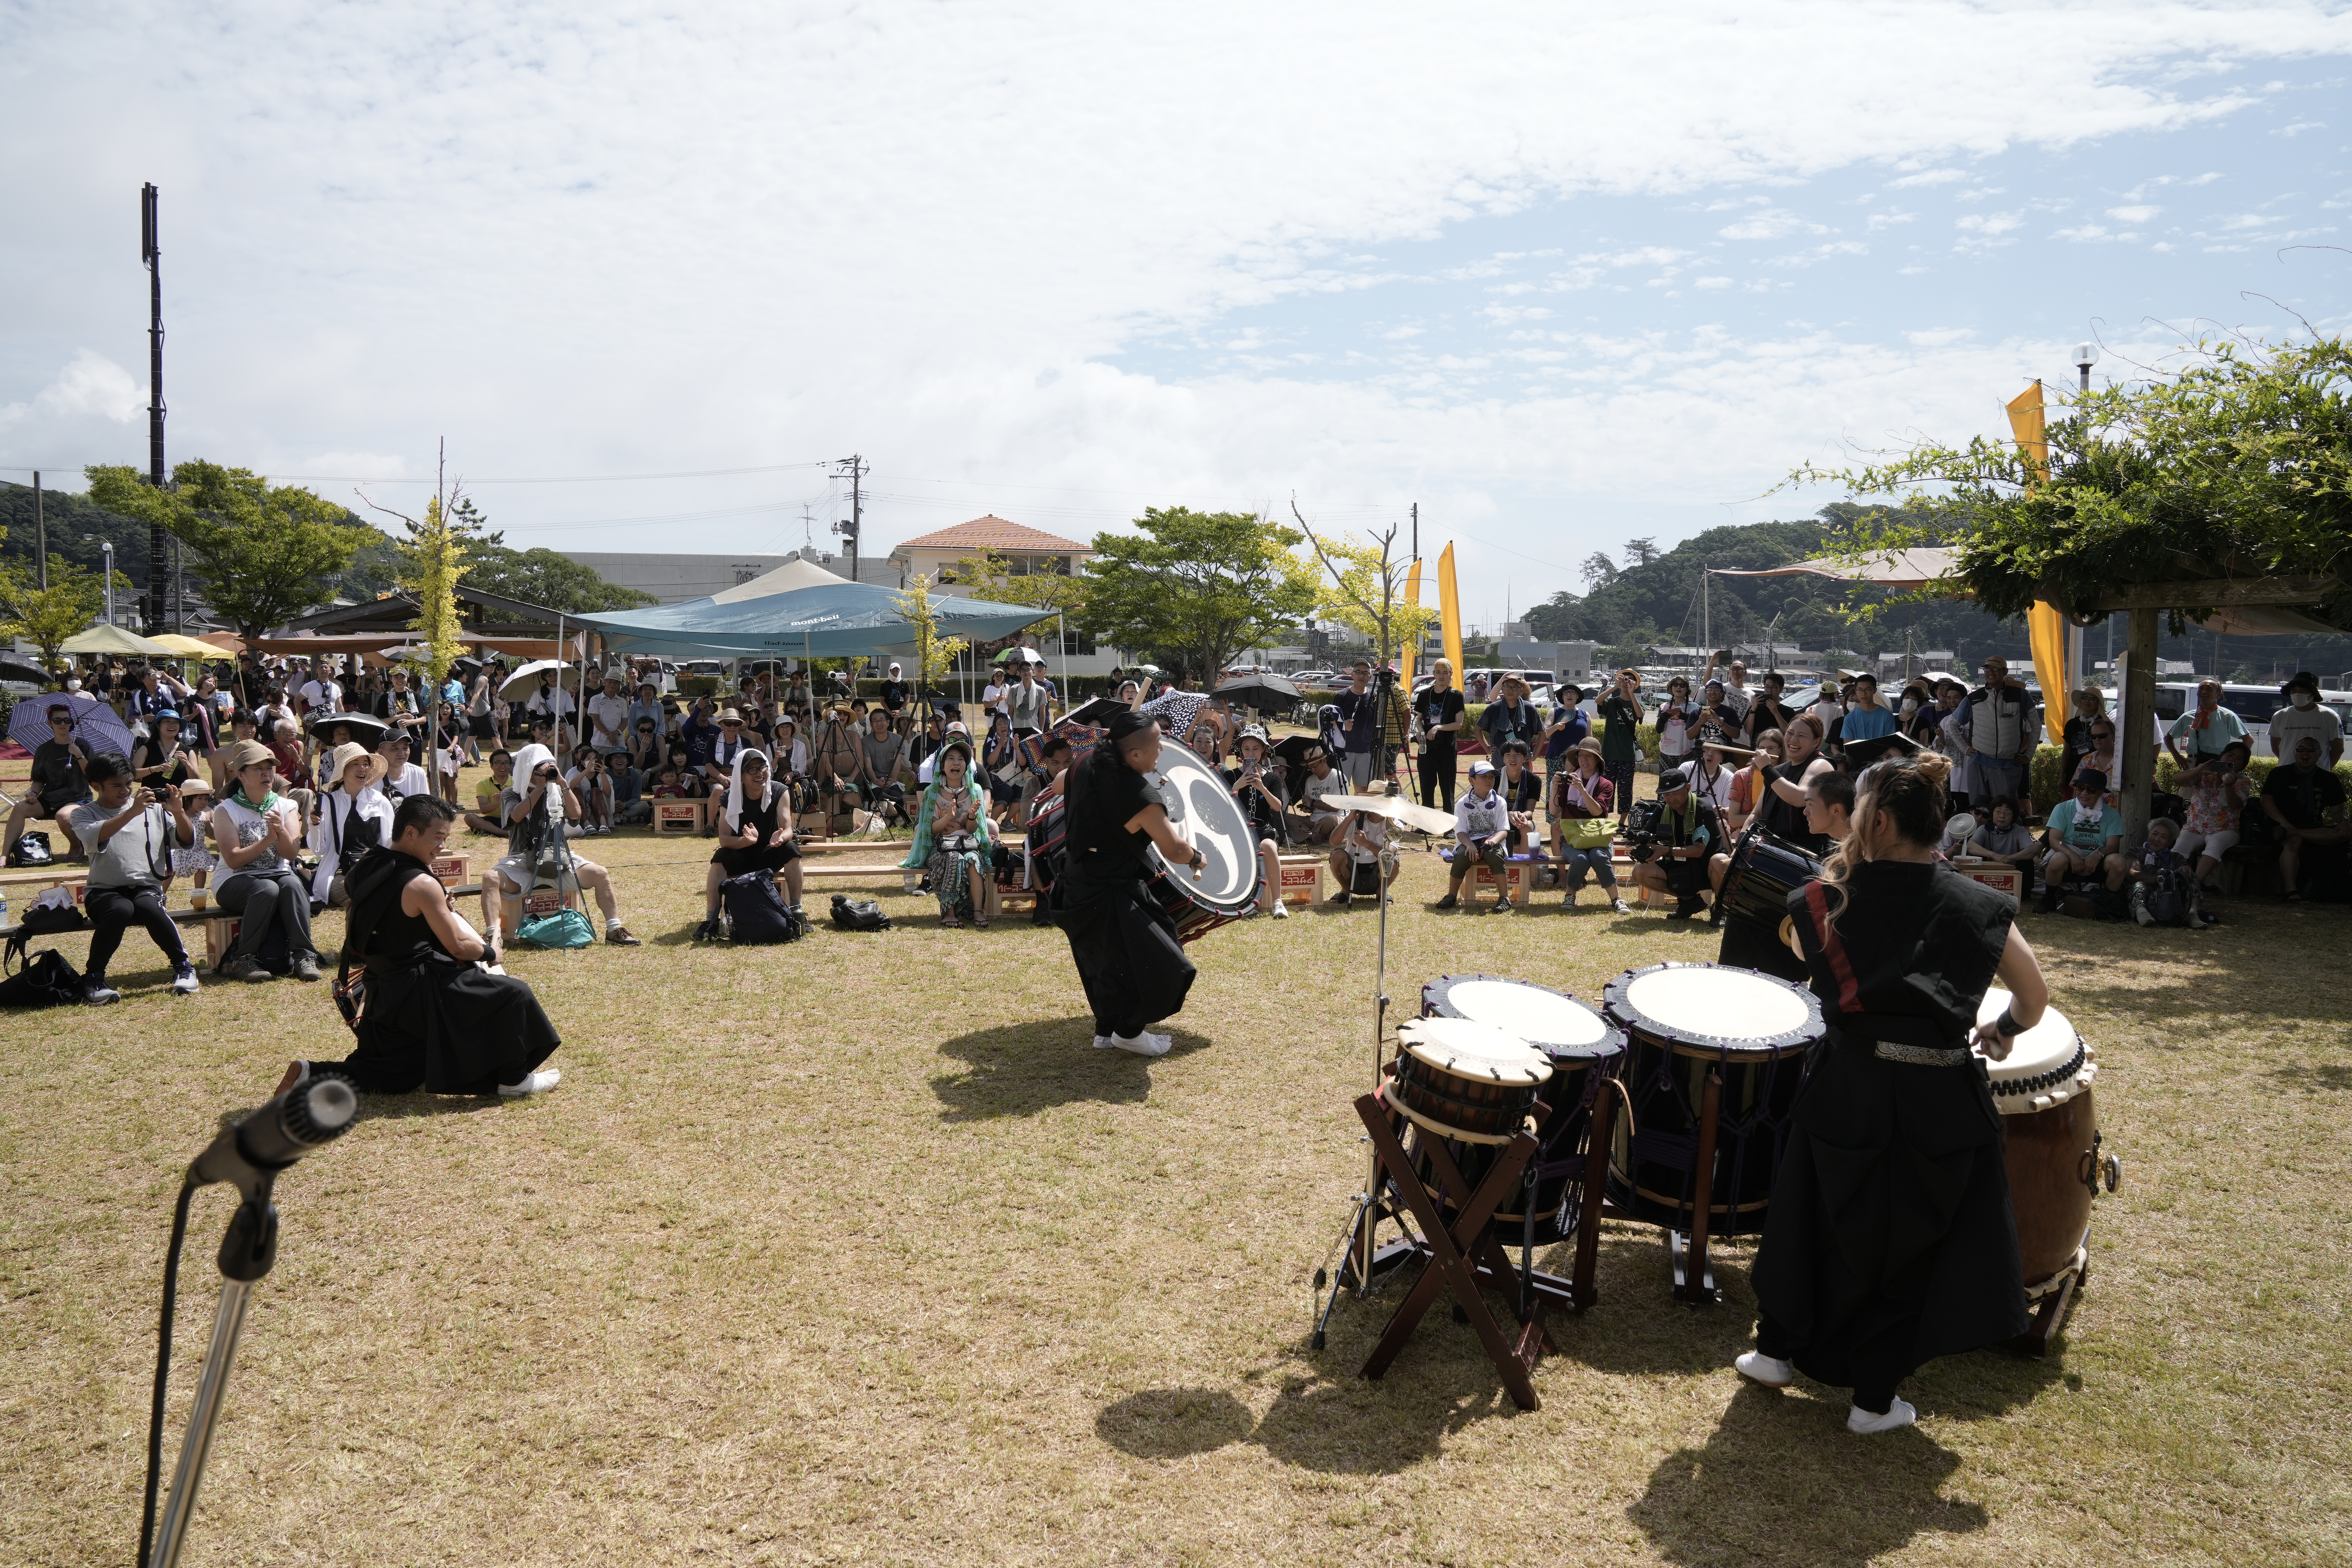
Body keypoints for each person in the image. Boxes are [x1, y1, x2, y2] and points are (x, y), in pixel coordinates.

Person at [1737, 751, 2044, 1433]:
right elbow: (2034, 998)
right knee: (1911, 1242)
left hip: (1849, 1084)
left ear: (1872, 821)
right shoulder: (1983, 904)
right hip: (1939, 1098)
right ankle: (1873, 1401)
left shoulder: (1823, 897)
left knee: (1812, 1213)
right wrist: (2001, 1030)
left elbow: (1817, 962)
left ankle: (1774, 1353)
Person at [278, 795, 560, 1098]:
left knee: (396, 1074)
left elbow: (389, 916)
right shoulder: (422, 883)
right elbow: (460, 947)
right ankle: (513, 1080)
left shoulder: (366, 865)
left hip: (381, 991)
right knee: (513, 994)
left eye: (446, 838)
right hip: (420, 988)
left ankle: (310, 1072)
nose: (442, 846)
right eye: (437, 838)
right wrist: (492, 952)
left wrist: (435, 905)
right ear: (410, 832)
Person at [1051, 712, 1204, 1055]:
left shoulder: (1086, 761)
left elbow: (1058, 783)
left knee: (1104, 964)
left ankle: (1107, 1032)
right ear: (1134, 754)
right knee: (1164, 965)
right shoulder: (1139, 795)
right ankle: (1129, 1032)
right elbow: (1175, 850)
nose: (1163, 748)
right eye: (1158, 743)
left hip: (1075, 882)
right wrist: (1196, 857)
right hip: (1112, 890)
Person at [65, 753, 201, 1002]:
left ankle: (184, 968)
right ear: (96, 786)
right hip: (102, 891)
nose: (125, 790)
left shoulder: (154, 810)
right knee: (120, 909)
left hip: (146, 888)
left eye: (129, 783)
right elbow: (97, 836)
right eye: (116, 785)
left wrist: (180, 813)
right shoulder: (83, 814)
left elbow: (187, 841)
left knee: (147, 904)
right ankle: (94, 978)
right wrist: (132, 812)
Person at [484, 743, 643, 946]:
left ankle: (614, 929)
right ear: (527, 770)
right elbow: (516, 816)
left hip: (558, 857)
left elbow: (576, 816)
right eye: (539, 769)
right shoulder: (512, 794)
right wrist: (540, 788)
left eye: (550, 766)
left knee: (600, 873)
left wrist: (562, 783)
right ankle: (493, 935)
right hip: (523, 859)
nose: (546, 772)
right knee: (491, 878)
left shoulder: (557, 791)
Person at [211, 739, 324, 984]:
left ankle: (304, 957)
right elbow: (232, 860)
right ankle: (243, 960)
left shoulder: (286, 806)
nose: (267, 774)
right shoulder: (226, 810)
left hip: (277, 875)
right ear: (240, 775)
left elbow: (292, 854)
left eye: (269, 768)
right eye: (258, 768)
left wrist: (281, 832)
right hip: (234, 880)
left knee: (293, 885)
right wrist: (267, 839)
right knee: (267, 889)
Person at [697, 749, 806, 938]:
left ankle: (797, 912)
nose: (759, 774)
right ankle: (711, 920)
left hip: (769, 851)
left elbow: (788, 829)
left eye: (762, 767)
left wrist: (781, 838)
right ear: (741, 775)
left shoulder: (780, 791)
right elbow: (724, 839)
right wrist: (745, 841)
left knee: (791, 849)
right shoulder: (729, 796)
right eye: (752, 770)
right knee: (720, 858)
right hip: (741, 853)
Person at [901, 735, 995, 927]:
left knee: (973, 860)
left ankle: (978, 911)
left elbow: (972, 829)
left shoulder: (974, 790)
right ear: (942, 766)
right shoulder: (932, 792)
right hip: (941, 847)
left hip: (967, 843)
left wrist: (970, 816)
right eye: (951, 759)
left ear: (966, 765)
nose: (956, 763)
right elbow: (932, 831)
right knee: (954, 858)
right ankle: (949, 913)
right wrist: (947, 819)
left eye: (961, 759)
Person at [1625, 766, 1721, 919]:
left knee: (1720, 861)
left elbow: (1698, 850)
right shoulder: (1663, 808)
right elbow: (1647, 833)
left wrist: (1666, 851)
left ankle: (1720, 910)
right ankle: (1689, 901)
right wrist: (1642, 842)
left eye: (1676, 793)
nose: (1671, 799)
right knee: (1640, 871)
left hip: (1706, 867)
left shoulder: (1703, 808)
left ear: (1688, 788)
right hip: (1678, 865)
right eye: (1666, 795)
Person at [2260, 735, 2349, 901]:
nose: (2305, 753)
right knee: (2294, 842)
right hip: (2281, 825)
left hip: (2312, 827)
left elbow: (2338, 810)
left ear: (2320, 754)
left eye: (2311, 750)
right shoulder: (2279, 774)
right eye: (2300, 750)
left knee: (2342, 833)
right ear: (2294, 753)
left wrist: (2344, 821)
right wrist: (2284, 823)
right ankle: (2292, 891)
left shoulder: (2328, 779)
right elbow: (2266, 801)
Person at [308, 741, 395, 907]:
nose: (362, 768)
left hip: (374, 869)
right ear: (343, 771)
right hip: (339, 872)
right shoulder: (329, 802)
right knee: (361, 898)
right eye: (355, 764)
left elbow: (389, 842)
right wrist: (314, 826)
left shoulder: (380, 801)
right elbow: (319, 851)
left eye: (366, 764)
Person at [1551, 738, 1629, 914]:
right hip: (1571, 839)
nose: (1584, 760)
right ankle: (1570, 896)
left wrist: (1582, 790)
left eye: (1589, 756)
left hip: (1599, 838)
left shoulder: (1606, 785)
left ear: (1597, 761)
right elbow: (1554, 809)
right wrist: (1555, 788)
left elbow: (1597, 812)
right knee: (1580, 859)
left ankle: (1616, 900)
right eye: (1581, 756)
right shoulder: (1567, 781)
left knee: (1599, 856)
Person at [7, 704, 93, 860]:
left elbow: (92, 776)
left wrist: (79, 755)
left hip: (78, 798)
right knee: (20, 808)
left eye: (67, 720)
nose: (63, 724)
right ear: (50, 723)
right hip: (51, 798)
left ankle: (76, 847)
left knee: (63, 816)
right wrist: (33, 794)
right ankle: (6, 854)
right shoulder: (44, 749)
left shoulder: (82, 745)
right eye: (58, 720)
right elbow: (39, 780)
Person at [1225, 724, 1291, 920]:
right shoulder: (1231, 776)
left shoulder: (1271, 778)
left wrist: (1262, 788)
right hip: (1238, 830)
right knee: (1239, 847)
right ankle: (1245, 901)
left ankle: (1278, 902)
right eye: (1246, 749)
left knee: (1268, 846)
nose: (1250, 753)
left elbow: (1278, 807)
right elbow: (1223, 804)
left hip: (1263, 830)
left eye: (1255, 748)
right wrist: (1236, 787)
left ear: (1263, 750)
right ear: (1240, 751)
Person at [2037, 769, 2125, 912]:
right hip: (2068, 856)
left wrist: (2098, 855)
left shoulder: (2112, 814)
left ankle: (2109, 901)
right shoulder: (2062, 808)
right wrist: (2073, 856)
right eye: (2080, 788)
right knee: (2058, 858)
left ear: (2101, 792)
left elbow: (2114, 846)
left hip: (2097, 860)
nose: (2084, 793)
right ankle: (2049, 898)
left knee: (2119, 861)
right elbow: (2054, 840)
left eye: (2091, 790)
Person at [1437, 758, 1514, 914]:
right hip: (1469, 841)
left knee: (1494, 855)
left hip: (1492, 842)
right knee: (1461, 856)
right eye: (1484, 777)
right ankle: (1451, 896)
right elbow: (1460, 831)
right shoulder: (1462, 803)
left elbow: (1504, 831)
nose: (1489, 780)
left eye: (1492, 777)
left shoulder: (1500, 802)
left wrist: (1493, 841)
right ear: (1472, 780)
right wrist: (1470, 845)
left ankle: (1504, 898)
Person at [2174, 741, 2250, 893]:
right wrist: (2199, 770)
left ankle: (2192, 888)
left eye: (2239, 758)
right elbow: (2177, 779)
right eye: (2230, 755)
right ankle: (2172, 883)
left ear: (2243, 765)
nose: (2233, 759)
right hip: (2194, 825)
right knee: (2178, 849)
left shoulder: (2243, 781)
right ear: (2222, 756)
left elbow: (2235, 805)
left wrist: (2229, 786)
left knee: (2213, 850)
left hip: (2224, 828)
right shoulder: (2206, 771)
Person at [1756, 713, 1835, 857]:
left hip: (1807, 853)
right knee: (1719, 862)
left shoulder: (1821, 764)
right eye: (1790, 733)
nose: (1793, 740)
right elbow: (1757, 813)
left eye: (1802, 736)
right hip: (1773, 847)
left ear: (1816, 742)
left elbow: (1801, 798)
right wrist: (1742, 839)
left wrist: (1767, 770)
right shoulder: (1778, 772)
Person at [2124, 817, 2210, 928]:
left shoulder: (2176, 857)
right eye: (2154, 834)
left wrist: (2184, 869)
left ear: (2170, 842)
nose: (2157, 839)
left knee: (2191, 876)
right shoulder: (2136, 852)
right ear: (2149, 834)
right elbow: (2131, 875)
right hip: (2145, 894)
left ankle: (2191, 913)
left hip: (2168, 897)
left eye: (2164, 837)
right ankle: (2142, 913)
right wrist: (2159, 879)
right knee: (2137, 885)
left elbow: (2184, 875)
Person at [1414, 658, 1466, 813]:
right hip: (1427, 747)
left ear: (1451, 674)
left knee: (1447, 787)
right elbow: (1419, 720)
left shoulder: (1457, 695)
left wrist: (1439, 727)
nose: (1442, 676)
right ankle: (1427, 824)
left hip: (1447, 748)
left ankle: (1449, 825)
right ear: (1434, 674)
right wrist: (1421, 731)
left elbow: (1459, 724)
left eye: (1445, 673)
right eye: (1439, 672)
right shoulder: (1424, 694)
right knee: (1426, 786)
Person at [1961, 796, 2040, 896]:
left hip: (2013, 874)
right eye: (1998, 812)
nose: (2002, 816)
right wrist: (1994, 855)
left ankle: (2022, 892)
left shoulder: (2020, 831)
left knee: (2027, 860)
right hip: (1989, 873)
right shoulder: (1985, 829)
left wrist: (2010, 858)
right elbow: (1971, 845)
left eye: (2007, 813)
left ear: (2013, 817)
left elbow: (2032, 850)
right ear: (1993, 813)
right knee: (1975, 856)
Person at [2164, 678, 2247, 769]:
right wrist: (2177, 756)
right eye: (2201, 689)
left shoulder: (2227, 716)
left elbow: (2248, 739)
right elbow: (2168, 737)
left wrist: (2239, 762)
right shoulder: (2188, 716)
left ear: (2219, 695)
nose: (2204, 692)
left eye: (2209, 689)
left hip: (2218, 763)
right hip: (2194, 762)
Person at [1597, 668, 1645, 823]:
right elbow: (1598, 701)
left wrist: (1631, 693)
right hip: (1609, 753)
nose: (1627, 682)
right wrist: (1615, 687)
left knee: (1626, 790)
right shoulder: (1612, 702)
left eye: (1631, 680)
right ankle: (1603, 818)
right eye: (1624, 679)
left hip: (1627, 754)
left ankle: (1622, 823)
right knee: (1606, 787)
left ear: (1636, 684)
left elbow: (1640, 715)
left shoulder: (1638, 702)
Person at [2271, 672, 2344, 769]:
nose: (2298, 694)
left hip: (2318, 776)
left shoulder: (2329, 716)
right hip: (2287, 774)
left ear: (2313, 693)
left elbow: (2338, 749)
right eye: (2294, 690)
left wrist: (2325, 770)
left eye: (2303, 690)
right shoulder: (2280, 716)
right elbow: (2276, 746)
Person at [1329, 805, 1396, 909]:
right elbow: (1334, 842)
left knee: (1393, 859)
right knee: (1337, 855)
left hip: (1377, 871)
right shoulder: (1356, 819)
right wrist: (1349, 818)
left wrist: (1366, 843)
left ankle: (1381, 892)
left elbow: (1390, 852)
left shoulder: (1393, 823)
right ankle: (1346, 890)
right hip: (1352, 872)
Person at [1333, 661, 1381, 790]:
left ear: (1370, 677)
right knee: (1341, 788)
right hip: (1344, 750)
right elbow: (1332, 722)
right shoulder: (1342, 696)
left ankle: (1355, 812)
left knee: (1362, 790)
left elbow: (1377, 721)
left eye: (1366, 673)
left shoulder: (1374, 697)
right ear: (1352, 675)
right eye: (1359, 672)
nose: (1362, 676)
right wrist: (1343, 725)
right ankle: (1341, 811)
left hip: (1365, 750)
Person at [1292, 744, 1349, 845]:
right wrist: (1308, 807)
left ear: (1324, 761)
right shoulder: (1310, 780)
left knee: (1330, 819)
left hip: (1335, 818)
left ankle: (1309, 835)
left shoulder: (1338, 778)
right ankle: (1319, 836)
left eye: (1314, 767)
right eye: (1310, 768)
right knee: (1287, 818)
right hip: (1314, 820)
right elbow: (1311, 808)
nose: (1313, 770)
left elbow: (1336, 808)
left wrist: (1313, 802)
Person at [1479, 676, 1543, 759]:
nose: (1510, 690)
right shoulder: (1493, 708)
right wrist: (1487, 748)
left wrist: (1535, 755)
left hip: (1522, 758)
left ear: (1521, 690)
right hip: (1499, 758)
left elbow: (1543, 733)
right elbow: (1477, 729)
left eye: (1515, 687)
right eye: (1507, 687)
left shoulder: (1529, 709)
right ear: (1502, 689)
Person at [1496, 740, 1542, 854]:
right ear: (1503, 759)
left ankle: (1524, 865)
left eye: (1517, 755)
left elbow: (1530, 812)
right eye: (1508, 755)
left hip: (1521, 820)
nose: (1513, 759)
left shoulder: (1534, 780)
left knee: (1527, 826)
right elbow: (1490, 809)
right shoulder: (1495, 778)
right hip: (1498, 819)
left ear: (1525, 758)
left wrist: (1520, 816)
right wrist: (1508, 814)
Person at [2058, 688, 2105, 796]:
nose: (2087, 701)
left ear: (2099, 703)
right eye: (2084, 698)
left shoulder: (2104, 725)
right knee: (2072, 809)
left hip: (2096, 777)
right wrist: (2062, 777)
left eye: (2092, 699)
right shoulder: (2071, 724)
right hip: (2073, 776)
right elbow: (2067, 751)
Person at [567, 743, 616, 834]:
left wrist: (603, 774)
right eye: (589, 759)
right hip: (582, 811)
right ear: (583, 762)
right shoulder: (575, 775)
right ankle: (586, 825)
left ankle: (604, 825)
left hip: (600, 809)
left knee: (596, 791)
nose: (592, 762)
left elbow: (608, 793)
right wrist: (586, 771)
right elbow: (570, 787)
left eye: (595, 759)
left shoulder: (604, 776)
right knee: (577, 791)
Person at [1654, 675, 1697, 776]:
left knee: (1686, 781)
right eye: (1675, 685)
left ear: (1687, 689)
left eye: (1682, 686)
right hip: (1666, 752)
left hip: (1688, 752)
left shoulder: (1695, 707)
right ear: (1671, 688)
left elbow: (1698, 728)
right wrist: (1663, 718)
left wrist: (1686, 717)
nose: (1678, 688)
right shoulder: (1664, 707)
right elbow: (1658, 730)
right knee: (1666, 782)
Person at [1840, 674, 1898, 747]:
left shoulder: (1887, 716)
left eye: (1867, 690)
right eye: (1860, 690)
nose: (1863, 694)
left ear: (1875, 690)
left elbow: (1890, 744)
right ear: (1856, 691)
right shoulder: (1849, 718)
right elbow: (1848, 746)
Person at [467, 749, 515, 836]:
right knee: (469, 817)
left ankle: (488, 831)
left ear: (510, 765)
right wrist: (499, 802)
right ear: (492, 766)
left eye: (506, 763)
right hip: (492, 820)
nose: (503, 766)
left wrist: (508, 799)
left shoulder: (517, 783)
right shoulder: (483, 784)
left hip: (513, 819)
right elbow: (484, 810)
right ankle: (505, 833)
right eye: (499, 763)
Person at [1744, 671, 1796, 749]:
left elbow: (1788, 732)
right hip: (1758, 749)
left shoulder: (1788, 711)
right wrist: (1753, 709)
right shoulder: (1756, 708)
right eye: (1767, 687)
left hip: (1780, 750)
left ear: (1781, 689)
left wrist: (1776, 713)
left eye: (1774, 687)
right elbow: (1748, 731)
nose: (1769, 690)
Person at [586, 672, 631, 755]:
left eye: (616, 683)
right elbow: (595, 720)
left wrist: (616, 733)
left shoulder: (622, 702)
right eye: (610, 681)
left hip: (619, 743)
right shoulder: (595, 699)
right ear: (605, 682)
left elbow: (625, 721)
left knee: (619, 767)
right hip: (600, 742)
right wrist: (611, 736)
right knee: (599, 767)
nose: (613, 684)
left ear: (618, 686)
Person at [1006, 660, 1054, 737]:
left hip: (1034, 728)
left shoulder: (1040, 690)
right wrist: (1009, 728)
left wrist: (1041, 730)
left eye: (1029, 670)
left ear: (1033, 673)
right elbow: (1010, 711)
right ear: (1020, 673)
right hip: (1016, 728)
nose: (1026, 672)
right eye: (1023, 670)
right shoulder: (1014, 689)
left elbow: (1043, 712)